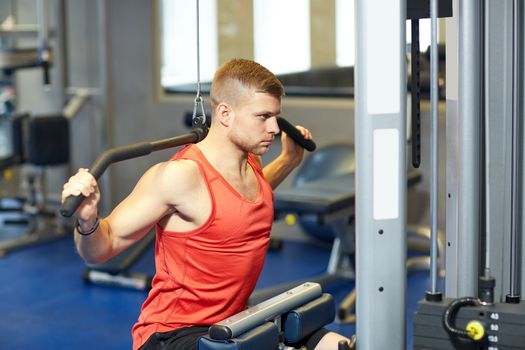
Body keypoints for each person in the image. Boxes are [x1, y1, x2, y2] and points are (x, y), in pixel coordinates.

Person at [62, 58, 350, 350]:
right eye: (263, 116)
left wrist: (289, 160)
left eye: (276, 116)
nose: (274, 128)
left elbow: (243, 201)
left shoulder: (251, 163)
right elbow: (100, 249)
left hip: (234, 325)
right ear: (225, 113)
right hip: (174, 335)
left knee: (335, 344)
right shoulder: (179, 177)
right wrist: (87, 220)